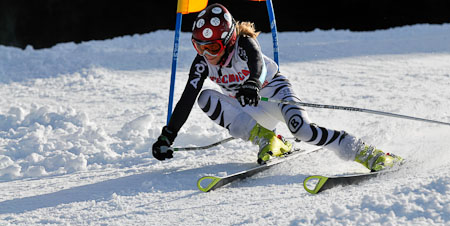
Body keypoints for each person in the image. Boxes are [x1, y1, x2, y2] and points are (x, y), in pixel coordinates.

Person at [152, 3, 403, 171]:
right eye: (199, 47)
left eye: (213, 48)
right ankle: (268, 139)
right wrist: (168, 135)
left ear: (228, 40)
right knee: (205, 97)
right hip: (250, 109)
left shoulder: (244, 43)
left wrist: (253, 83)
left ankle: (367, 152)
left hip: (276, 95)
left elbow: (258, 64)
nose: (207, 54)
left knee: (304, 132)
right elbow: (186, 99)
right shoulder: (202, 63)